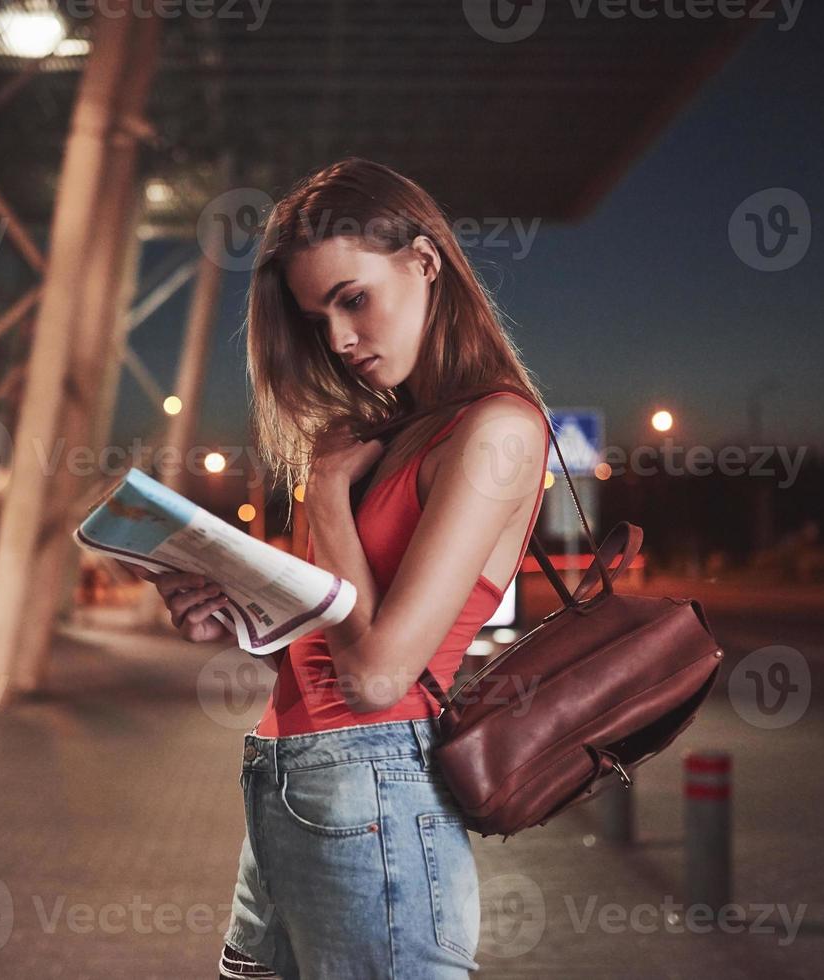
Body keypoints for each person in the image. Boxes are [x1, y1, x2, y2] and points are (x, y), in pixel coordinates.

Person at [145, 157, 552, 979]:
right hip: (287, 781)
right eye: (315, 315)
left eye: (352, 299)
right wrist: (232, 620)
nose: (336, 338)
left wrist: (324, 490)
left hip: (374, 787)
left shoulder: (496, 430)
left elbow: (374, 676)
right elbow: (322, 633)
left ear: (424, 262)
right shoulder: (378, 431)